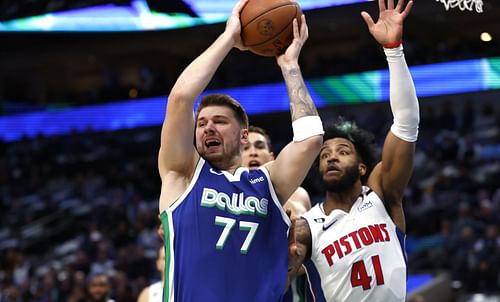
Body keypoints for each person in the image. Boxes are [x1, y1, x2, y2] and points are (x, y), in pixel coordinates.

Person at [157, 0, 324, 300]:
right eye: (202, 123)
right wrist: (229, 38)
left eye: (219, 121)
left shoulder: (267, 182)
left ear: (244, 135)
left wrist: (290, 67)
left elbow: (310, 140)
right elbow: (181, 98)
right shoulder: (182, 175)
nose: (207, 127)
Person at [288, 0, 419, 301]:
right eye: (324, 154)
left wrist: (394, 50)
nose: (331, 156)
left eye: (342, 151)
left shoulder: (382, 195)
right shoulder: (307, 225)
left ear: (362, 167)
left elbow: (407, 123)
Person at [241, 125, 313, 302]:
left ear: (272, 157)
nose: (253, 152)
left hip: (294, 291)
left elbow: (314, 253)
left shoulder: (299, 195)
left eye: (259, 146)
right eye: (245, 148)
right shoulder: (226, 198)